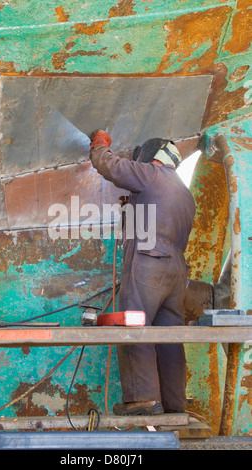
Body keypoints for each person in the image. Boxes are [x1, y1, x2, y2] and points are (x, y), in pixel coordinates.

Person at [89, 130, 196, 415]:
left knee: (133, 325)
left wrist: (100, 146)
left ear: (151, 157)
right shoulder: (185, 194)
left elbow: (111, 166)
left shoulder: (151, 173)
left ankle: (143, 400)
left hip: (149, 261)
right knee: (169, 337)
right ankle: (175, 406)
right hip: (176, 272)